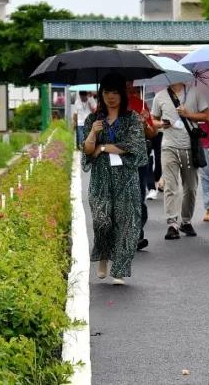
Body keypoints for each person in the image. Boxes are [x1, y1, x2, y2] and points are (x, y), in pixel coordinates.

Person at [81, 73, 148, 284]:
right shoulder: (93, 119)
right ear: (101, 94)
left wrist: (102, 147)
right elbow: (87, 150)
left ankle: (119, 269)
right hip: (101, 177)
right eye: (107, 92)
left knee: (126, 222)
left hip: (126, 177)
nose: (111, 96)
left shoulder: (133, 119)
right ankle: (103, 254)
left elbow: (134, 146)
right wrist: (93, 134)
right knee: (102, 221)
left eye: (115, 92)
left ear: (123, 94)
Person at [151, 81, 209, 239]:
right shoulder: (160, 96)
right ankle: (172, 224)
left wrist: (188, 114)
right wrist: (162, 124)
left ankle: (186, 221)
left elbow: (207, 115)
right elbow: (153, 120)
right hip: (168, 146)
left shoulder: (194, 93)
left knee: (190, 187)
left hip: (190, 147)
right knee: (171, 186)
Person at [127, 84, 158, 251]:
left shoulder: (141, 104)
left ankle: (137, 234)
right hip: (117, 159)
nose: (131, 90)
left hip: (139, 158)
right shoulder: (108, 105)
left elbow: (152, 133)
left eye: (134, 87)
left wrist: (145, 123)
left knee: (138, 196)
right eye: (126, 86)